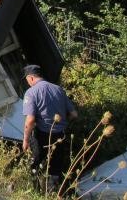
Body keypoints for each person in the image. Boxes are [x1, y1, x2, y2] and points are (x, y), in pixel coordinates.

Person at [22, 64, 78, 192]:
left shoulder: (31, 92)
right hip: (60, 135)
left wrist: (25, 140)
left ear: (30, 78)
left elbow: (30, 120)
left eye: (26, 80)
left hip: (42, 136)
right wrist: (63, 123)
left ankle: (35, 193)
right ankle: (52, 193)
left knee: (35, 165)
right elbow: (74, 114)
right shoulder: (58, 89)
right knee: (55, 169)